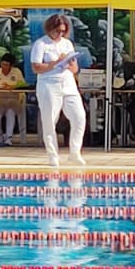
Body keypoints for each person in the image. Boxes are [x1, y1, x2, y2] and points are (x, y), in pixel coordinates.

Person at [30, 13, 85, 170]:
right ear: (50, 29)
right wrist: (57, 62)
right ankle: (53, 155)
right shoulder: (41, 44)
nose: (60, 34)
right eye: (57, 31)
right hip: (49, 84)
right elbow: (36, 67)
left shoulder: (67, 44)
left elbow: (75, 68)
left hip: (68, 83)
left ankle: (75, 151)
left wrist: (69, 63)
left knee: (79, 117)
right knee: (50, 120)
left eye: (62, 31)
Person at [0, 53, 27, 144]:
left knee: (10, 112)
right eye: (3, 64)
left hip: (14, 99)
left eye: (7, 65)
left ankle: (8, 138)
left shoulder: (17, 72)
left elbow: (23, 85)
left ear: (11, 65)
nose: (4, 66)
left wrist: (12, 86)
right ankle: (0, 135)